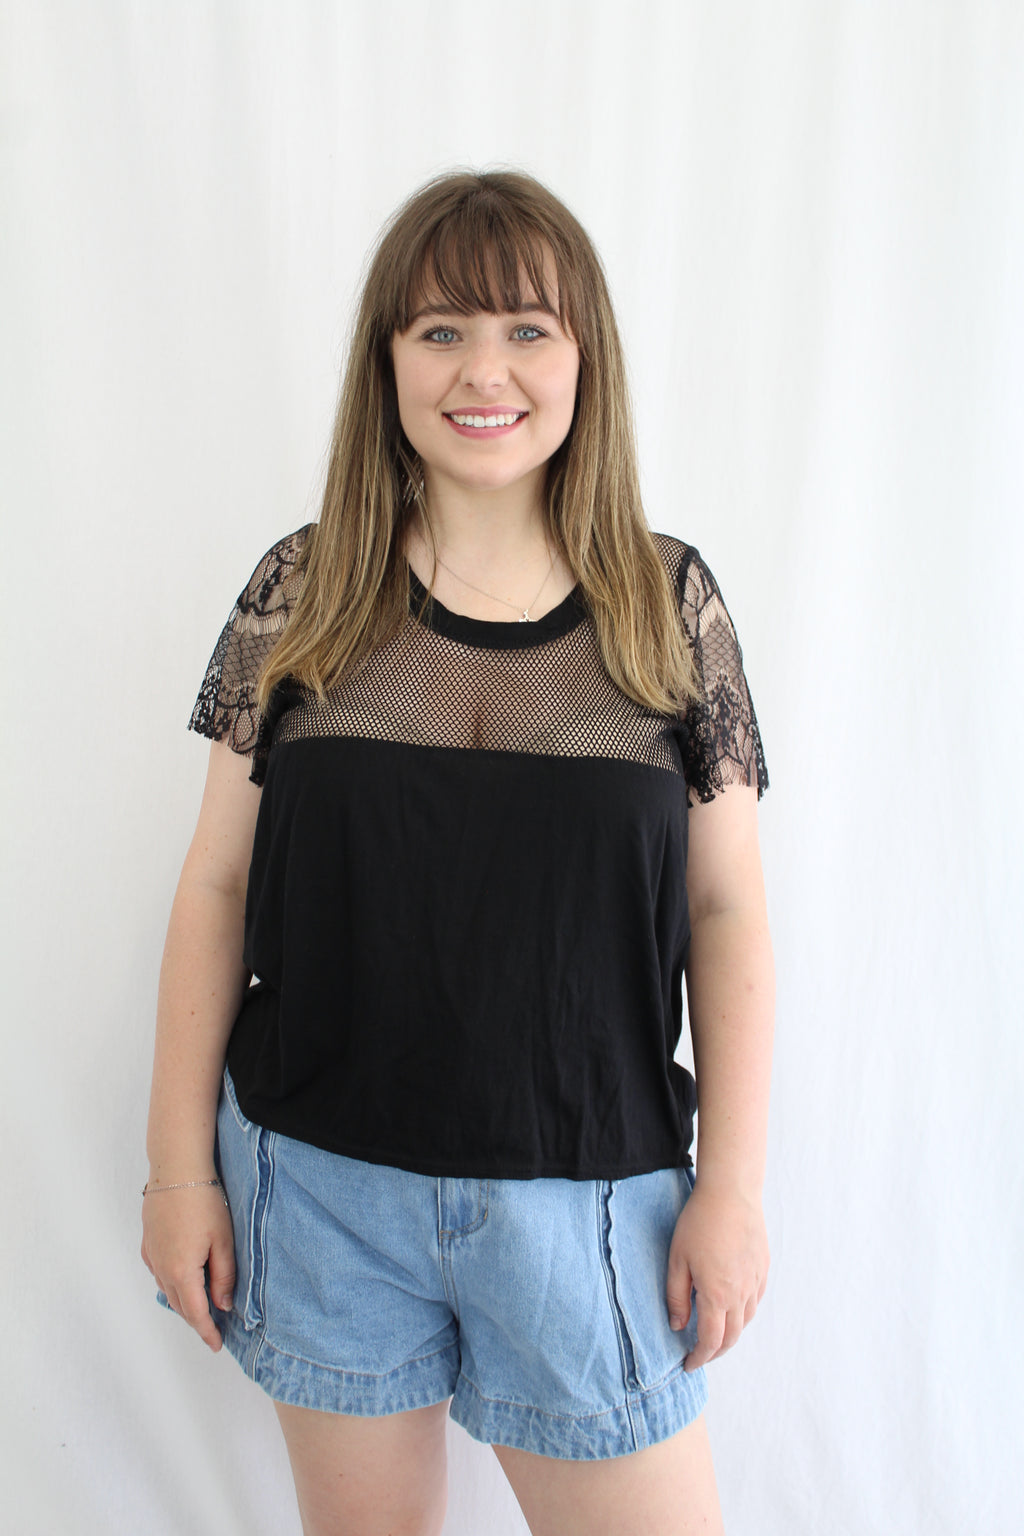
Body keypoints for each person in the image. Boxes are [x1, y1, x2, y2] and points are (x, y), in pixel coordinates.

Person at [141, 168, 773, 1536]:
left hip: (590, 1208)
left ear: (584, 357)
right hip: (321, 1193)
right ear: (388, 363)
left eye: (527, 329)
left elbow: (726, 910)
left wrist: (731, 1186)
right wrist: (177, 1173)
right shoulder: (304, 592)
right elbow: (218, 886)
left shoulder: (667, 607)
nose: (484, 370)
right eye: (441, 331)